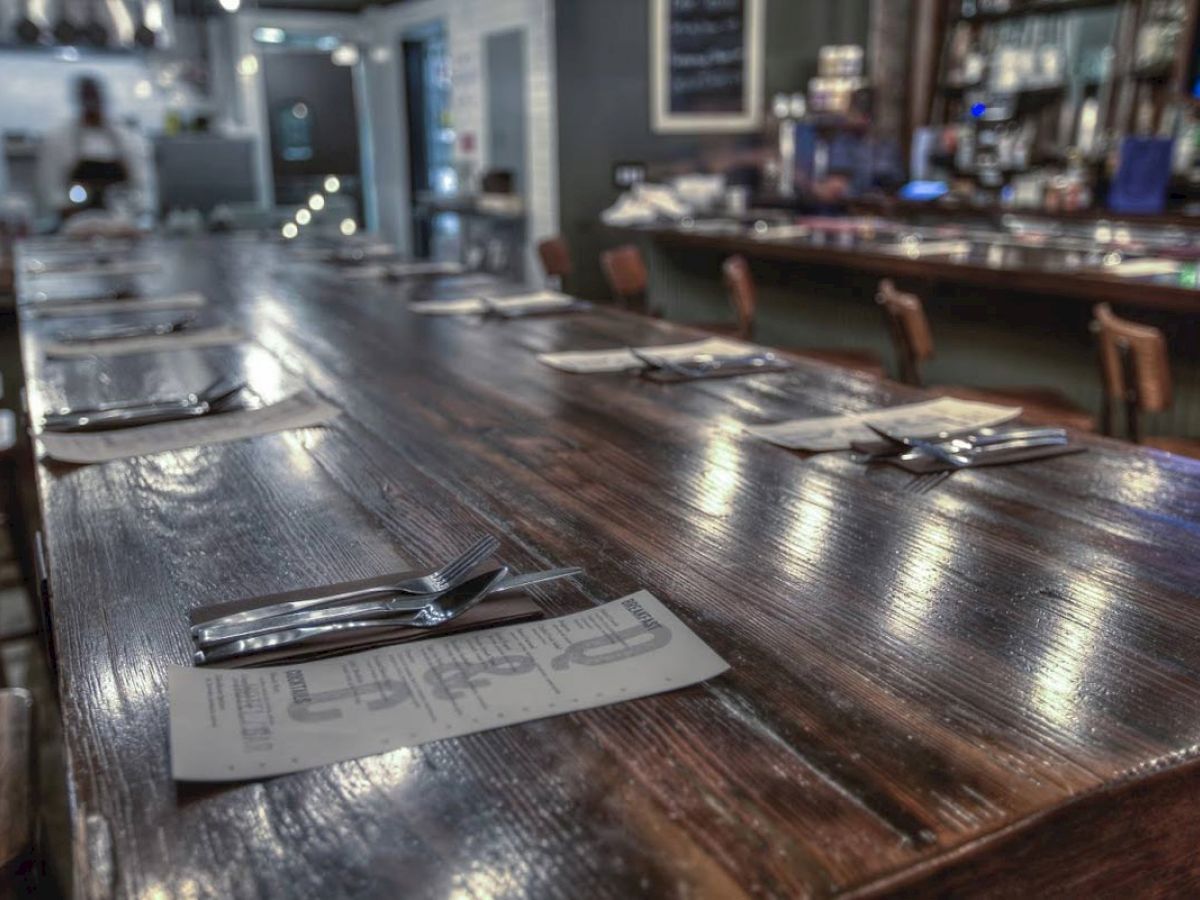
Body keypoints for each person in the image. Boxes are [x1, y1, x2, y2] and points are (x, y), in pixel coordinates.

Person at [37, 75, 152, 228]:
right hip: (75, 225)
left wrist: (136, 210)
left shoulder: (128, 139)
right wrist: (66, 208)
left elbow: (141, 183)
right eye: (87, 97)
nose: (91, 103)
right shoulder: (58, 139)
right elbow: (49, 187)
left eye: (95, 96)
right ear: (78, 99)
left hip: (121, 222)